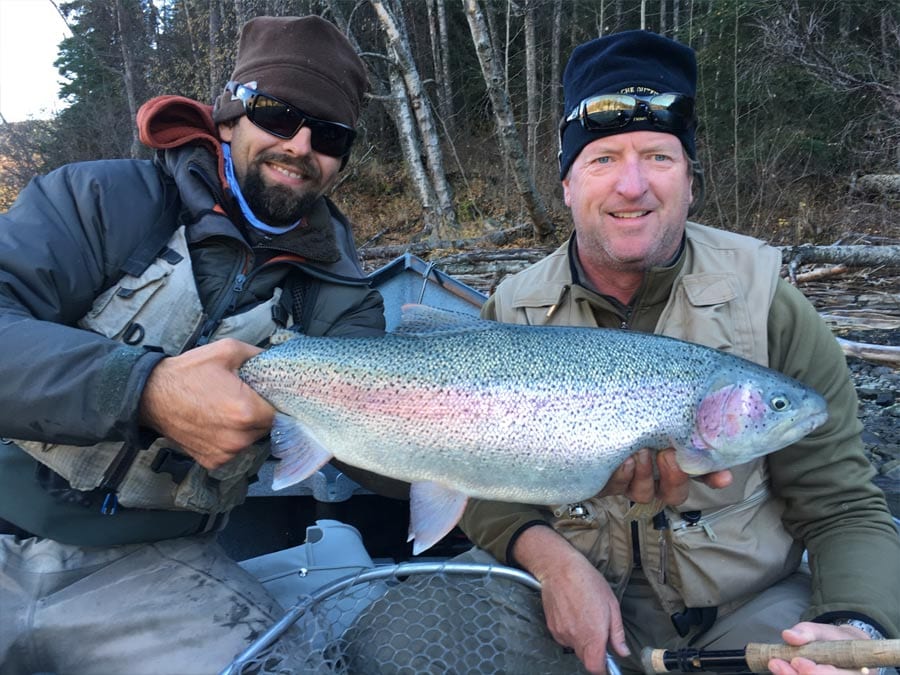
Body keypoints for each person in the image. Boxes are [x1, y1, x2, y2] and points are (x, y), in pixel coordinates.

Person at [457, 29, 900, 675]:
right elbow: (477, 479)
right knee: (405, 637)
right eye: (603, 158)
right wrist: (551, 560)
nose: (631, 185)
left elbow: (844, 506)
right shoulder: (511, 309)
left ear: (691, 181)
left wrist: (852, 624)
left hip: (747, 610)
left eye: (658, 157)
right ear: (567, 185)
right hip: (568, 592)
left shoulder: (770, 305)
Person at [0, 15, 386, 674]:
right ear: (230, 116)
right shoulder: (96, 200)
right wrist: (144, 389)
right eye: (278, 114)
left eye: (328, 134)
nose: (300, 145)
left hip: (162, 570)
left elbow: (372, 449)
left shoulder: (345, 297)